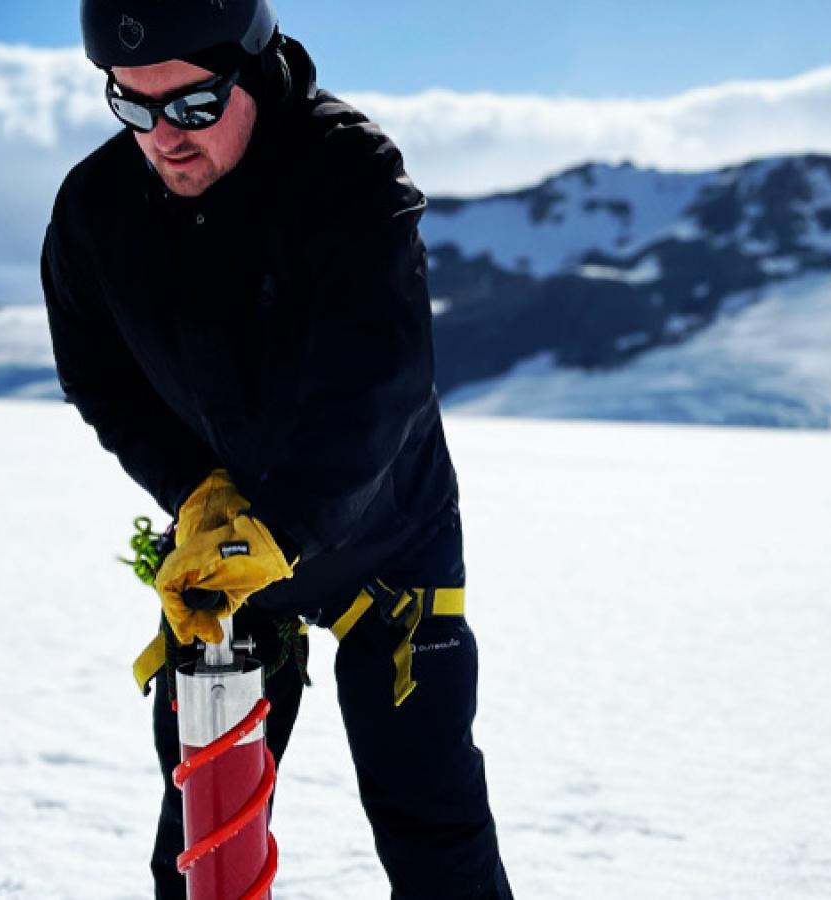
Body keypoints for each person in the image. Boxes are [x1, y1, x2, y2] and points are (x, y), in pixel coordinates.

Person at [40, 2, 514, 898]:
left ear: (253, 69)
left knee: (430, 816)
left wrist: (285, 522)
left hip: (389, 545)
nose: (164, 140)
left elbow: (381, 379)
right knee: (204, 830)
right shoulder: (95, 213)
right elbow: (99, 378)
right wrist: (196, 492)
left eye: (191, 107)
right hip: (228, 554)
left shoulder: (348, 173)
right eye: (134, 108)